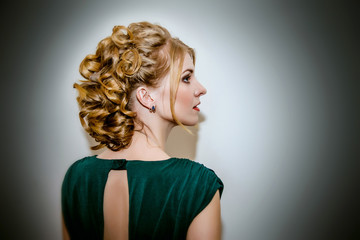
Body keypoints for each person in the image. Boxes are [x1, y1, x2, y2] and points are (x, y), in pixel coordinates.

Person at [61, 21, 224, 240]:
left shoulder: (77, 178)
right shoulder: (197, 185)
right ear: (146, 97)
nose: (201, 89)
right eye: (186, 78)